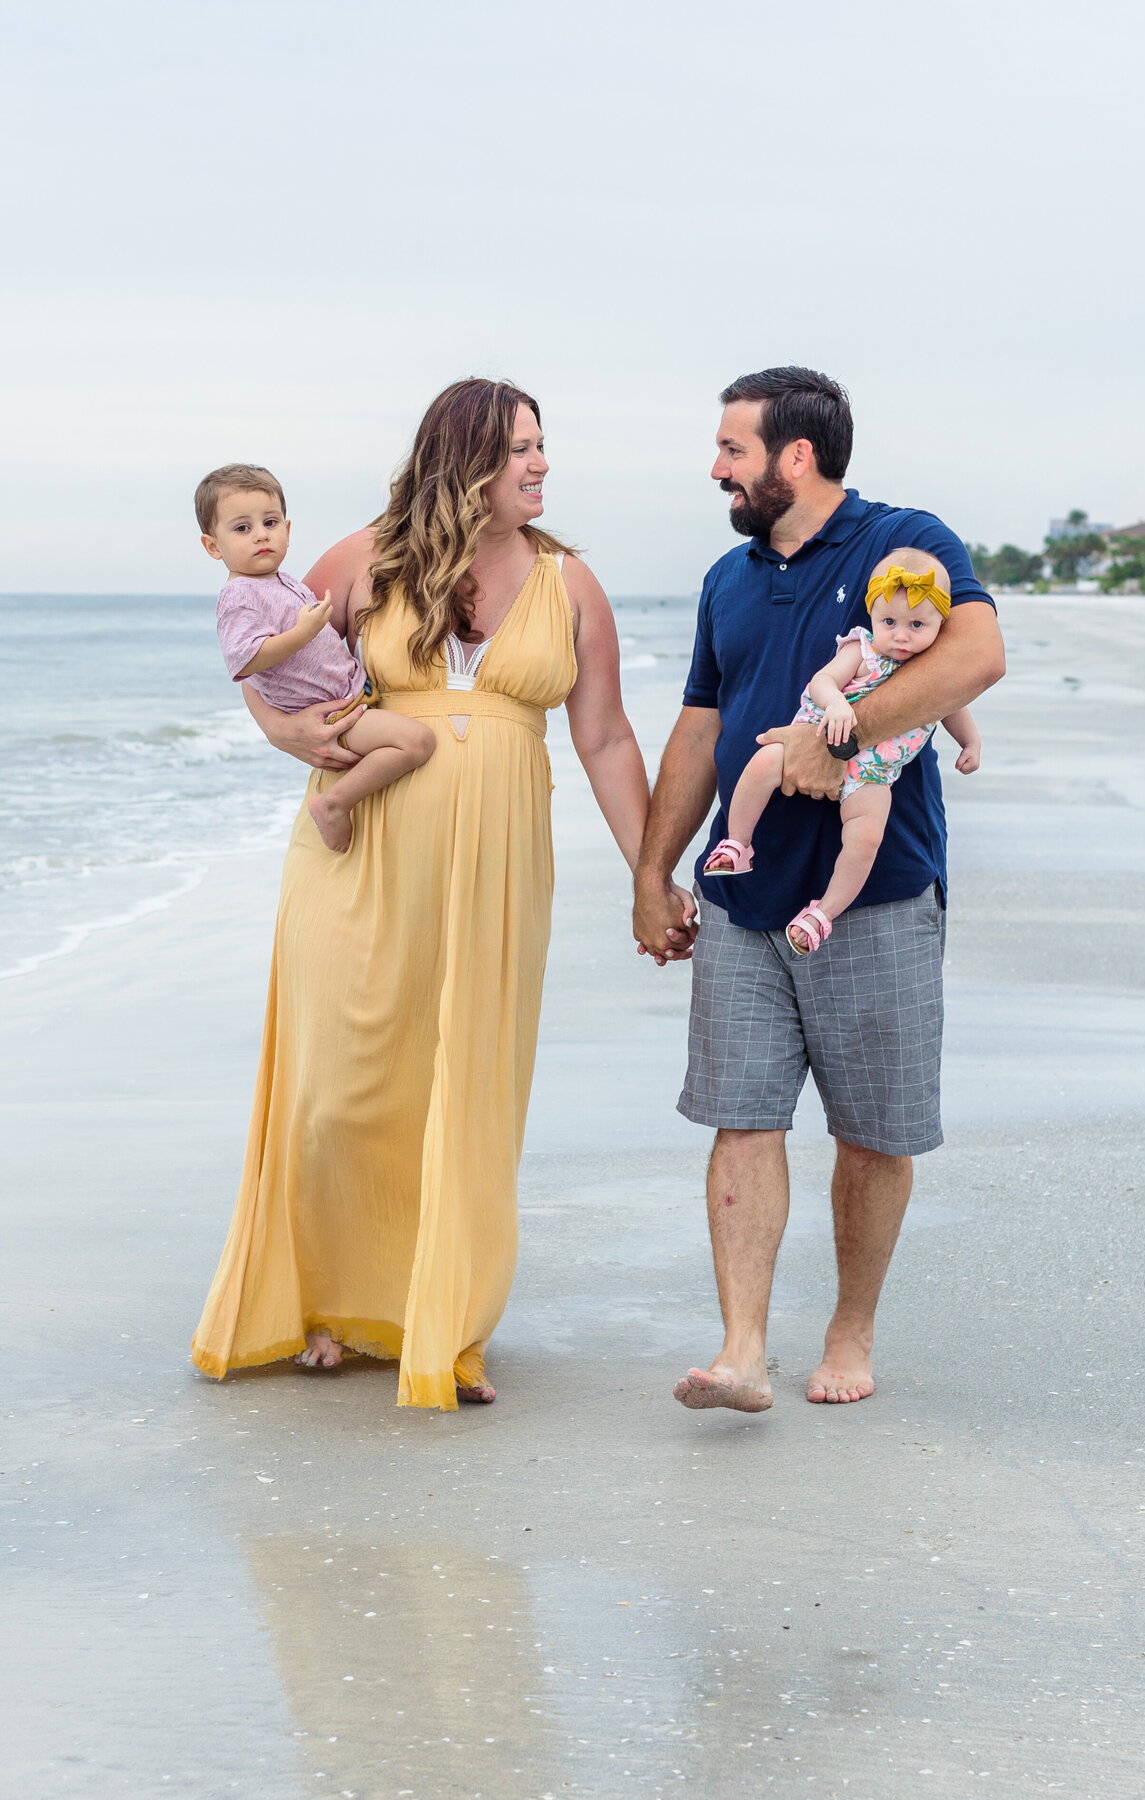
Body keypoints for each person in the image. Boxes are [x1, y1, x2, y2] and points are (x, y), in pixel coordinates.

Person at [193, 379, 676, 1408]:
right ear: (463, 461)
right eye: (519, 450)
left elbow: (602, 736)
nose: (541, 465)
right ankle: (325, 1302)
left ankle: (442, 1322)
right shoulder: (364, 559)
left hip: (497, 861)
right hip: (356, 844)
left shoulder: (569, 582)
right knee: (339, 1086)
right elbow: (267, 659)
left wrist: (649, 876)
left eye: (544, 447)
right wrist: (282, 735)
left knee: (467, 1090)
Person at [632, 366, 1005, 1410]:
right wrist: (652, 872)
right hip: (745, 905)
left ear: (796, 456)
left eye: (733, 450)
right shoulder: (728, 579)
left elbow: (979, 655)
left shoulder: (904, 540)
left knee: (873, 1133)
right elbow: (702, 729)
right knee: (740, 1116)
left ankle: (850, 1333)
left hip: (874, 893)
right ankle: (742, 1350)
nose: (717, 469)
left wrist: (841, 734)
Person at [702, 547, 981, 954]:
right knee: (763, 761)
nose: (900, 635)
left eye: (917, 624)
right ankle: (738, 842)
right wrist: (835, 703)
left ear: (941, 622)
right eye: (889, 622)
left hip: (873, 772)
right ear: (872, 617)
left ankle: (823, 913)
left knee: (865, 838)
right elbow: (822, 681)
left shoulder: (934, 671)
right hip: (814, 736)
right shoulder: (863, 650)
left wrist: (969, 741)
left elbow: (953, 704)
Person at [197, 464, 435, 852]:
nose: (261, 535)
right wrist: (301, 634)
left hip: (354, 696)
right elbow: (243, 660)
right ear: (212, 546)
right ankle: (333, 805)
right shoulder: (238, 595)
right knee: (417, 742)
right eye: (242, 528)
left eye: (270, 522)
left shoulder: (283, 581)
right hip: (332, 714)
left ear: (287, 531)